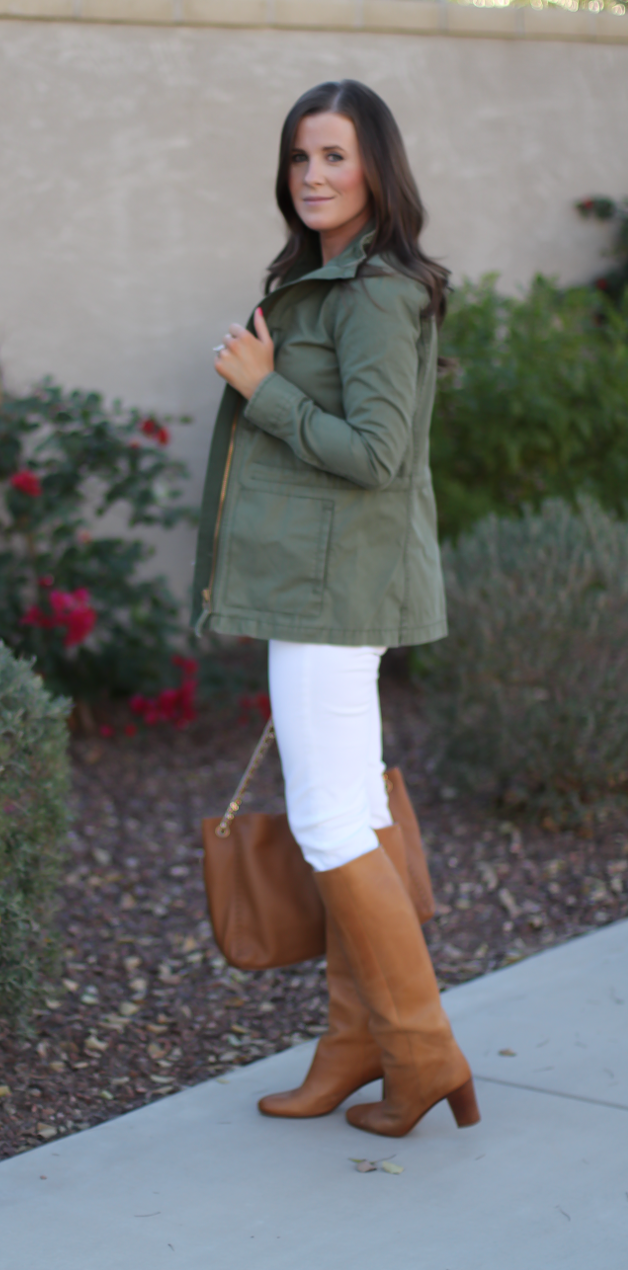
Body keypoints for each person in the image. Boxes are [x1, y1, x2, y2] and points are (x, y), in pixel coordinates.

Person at [192, 80, 479, 1138]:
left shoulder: (373, 293)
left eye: (335, 157)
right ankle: (361, 1040)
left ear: (376, 170)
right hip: (323, 583)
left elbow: (378, 453)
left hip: (331, 591)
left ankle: (421, 1048)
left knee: (323, 818)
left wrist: (264, 386)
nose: (312, 175)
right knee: (350, 806)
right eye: (300, 157)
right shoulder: (326, 278)